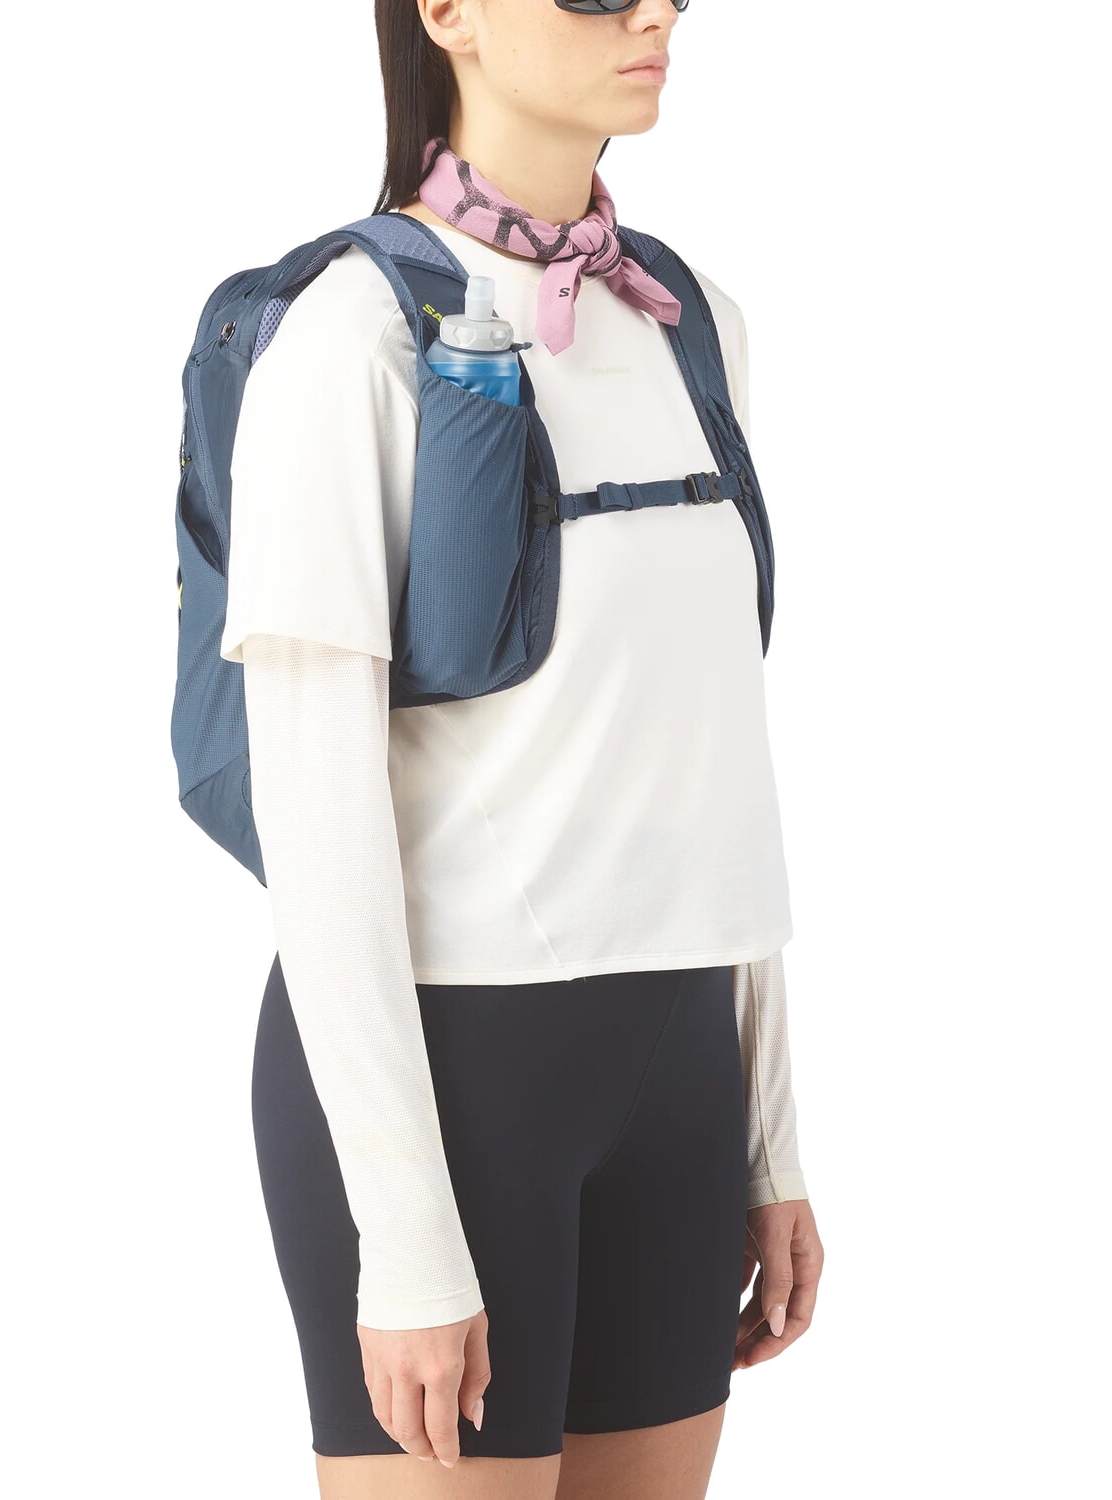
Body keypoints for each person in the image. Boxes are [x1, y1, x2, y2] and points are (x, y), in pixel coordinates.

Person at [219, 0, 825, 1494]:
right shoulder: (348, 336)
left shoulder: (691, 324)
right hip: (452, 1083)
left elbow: (711, 756)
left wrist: (768, 1137)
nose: (656, 11)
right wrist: (405, 1239)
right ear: (447, 13)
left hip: (680, 1074)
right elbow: (318, 820)